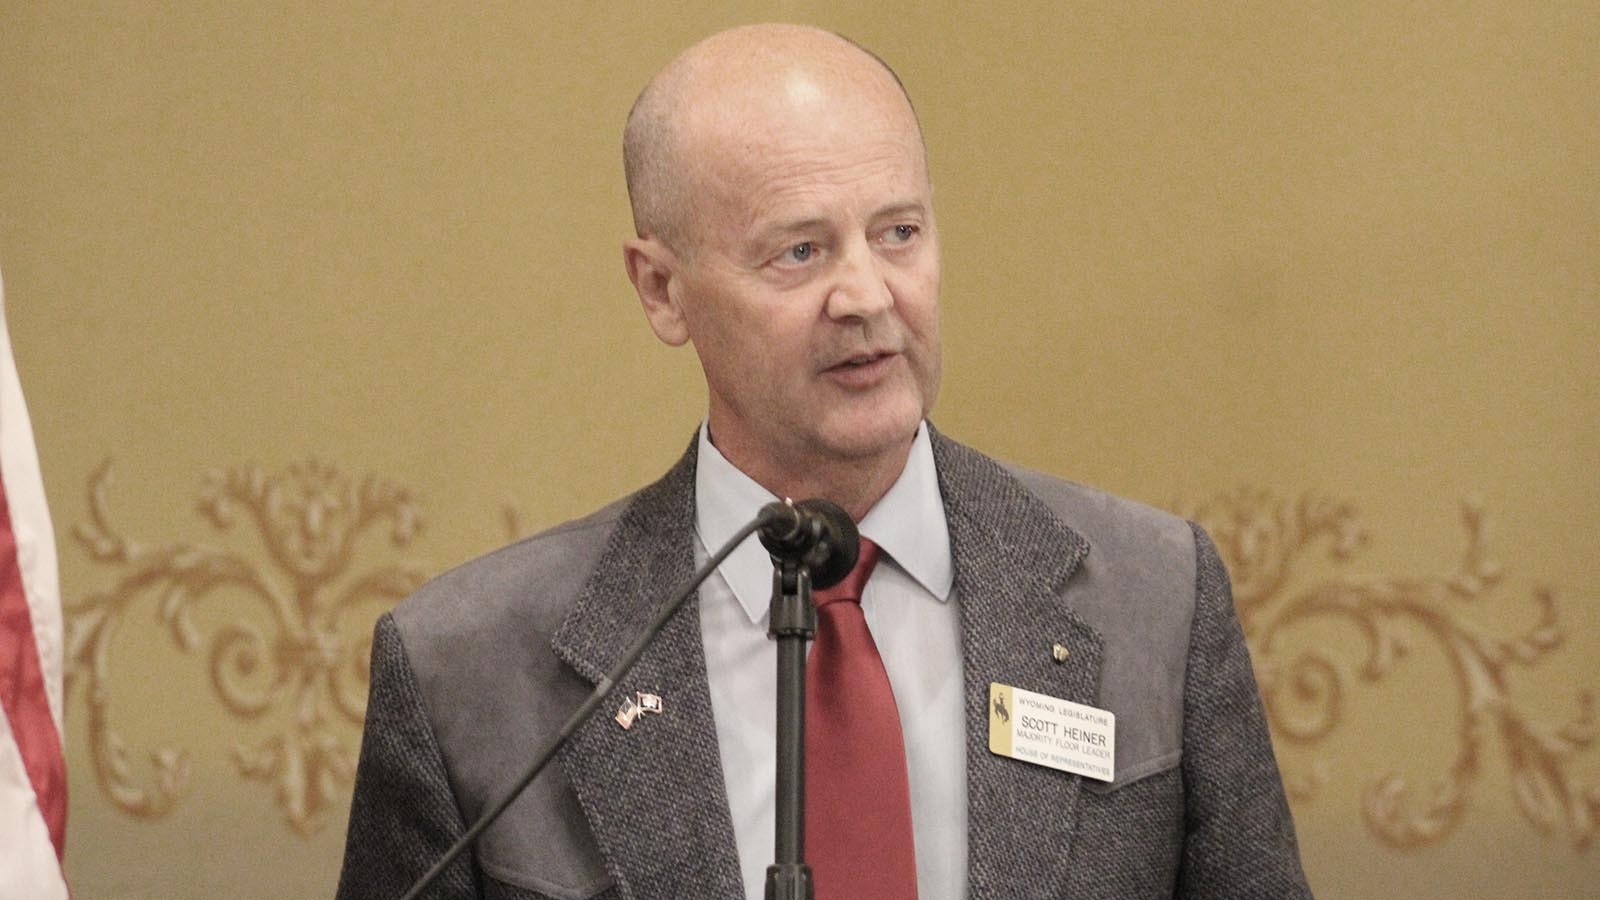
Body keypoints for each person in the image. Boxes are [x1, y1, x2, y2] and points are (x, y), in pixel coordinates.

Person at [337, 23, 1312, 900]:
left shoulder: (1152, 597)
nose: (866, 297)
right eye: (799, 252)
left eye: (898, 233)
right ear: (662, 290)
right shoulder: (468, 668)